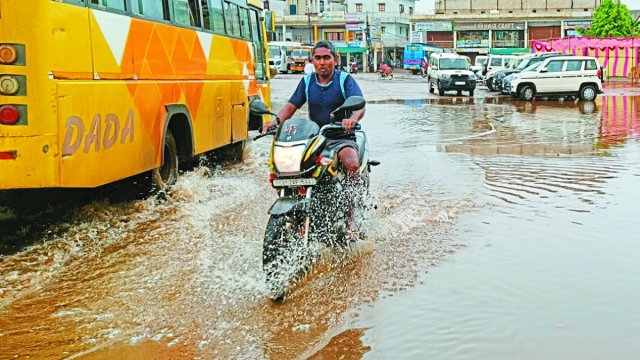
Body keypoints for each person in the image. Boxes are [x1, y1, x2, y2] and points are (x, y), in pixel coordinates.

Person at [262, 40, 366, 240]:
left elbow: (360, 105)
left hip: (340, 137)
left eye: (327, 57)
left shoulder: (345, 80)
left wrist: (352, 120)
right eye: (318, 58)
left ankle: (351, 219)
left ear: (335, 59)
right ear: (312, 61)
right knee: (287, 168)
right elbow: (291, 106)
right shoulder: (307, 82)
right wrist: (274, 122)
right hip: (315, 138)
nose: (322, 62)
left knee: (352, 164)